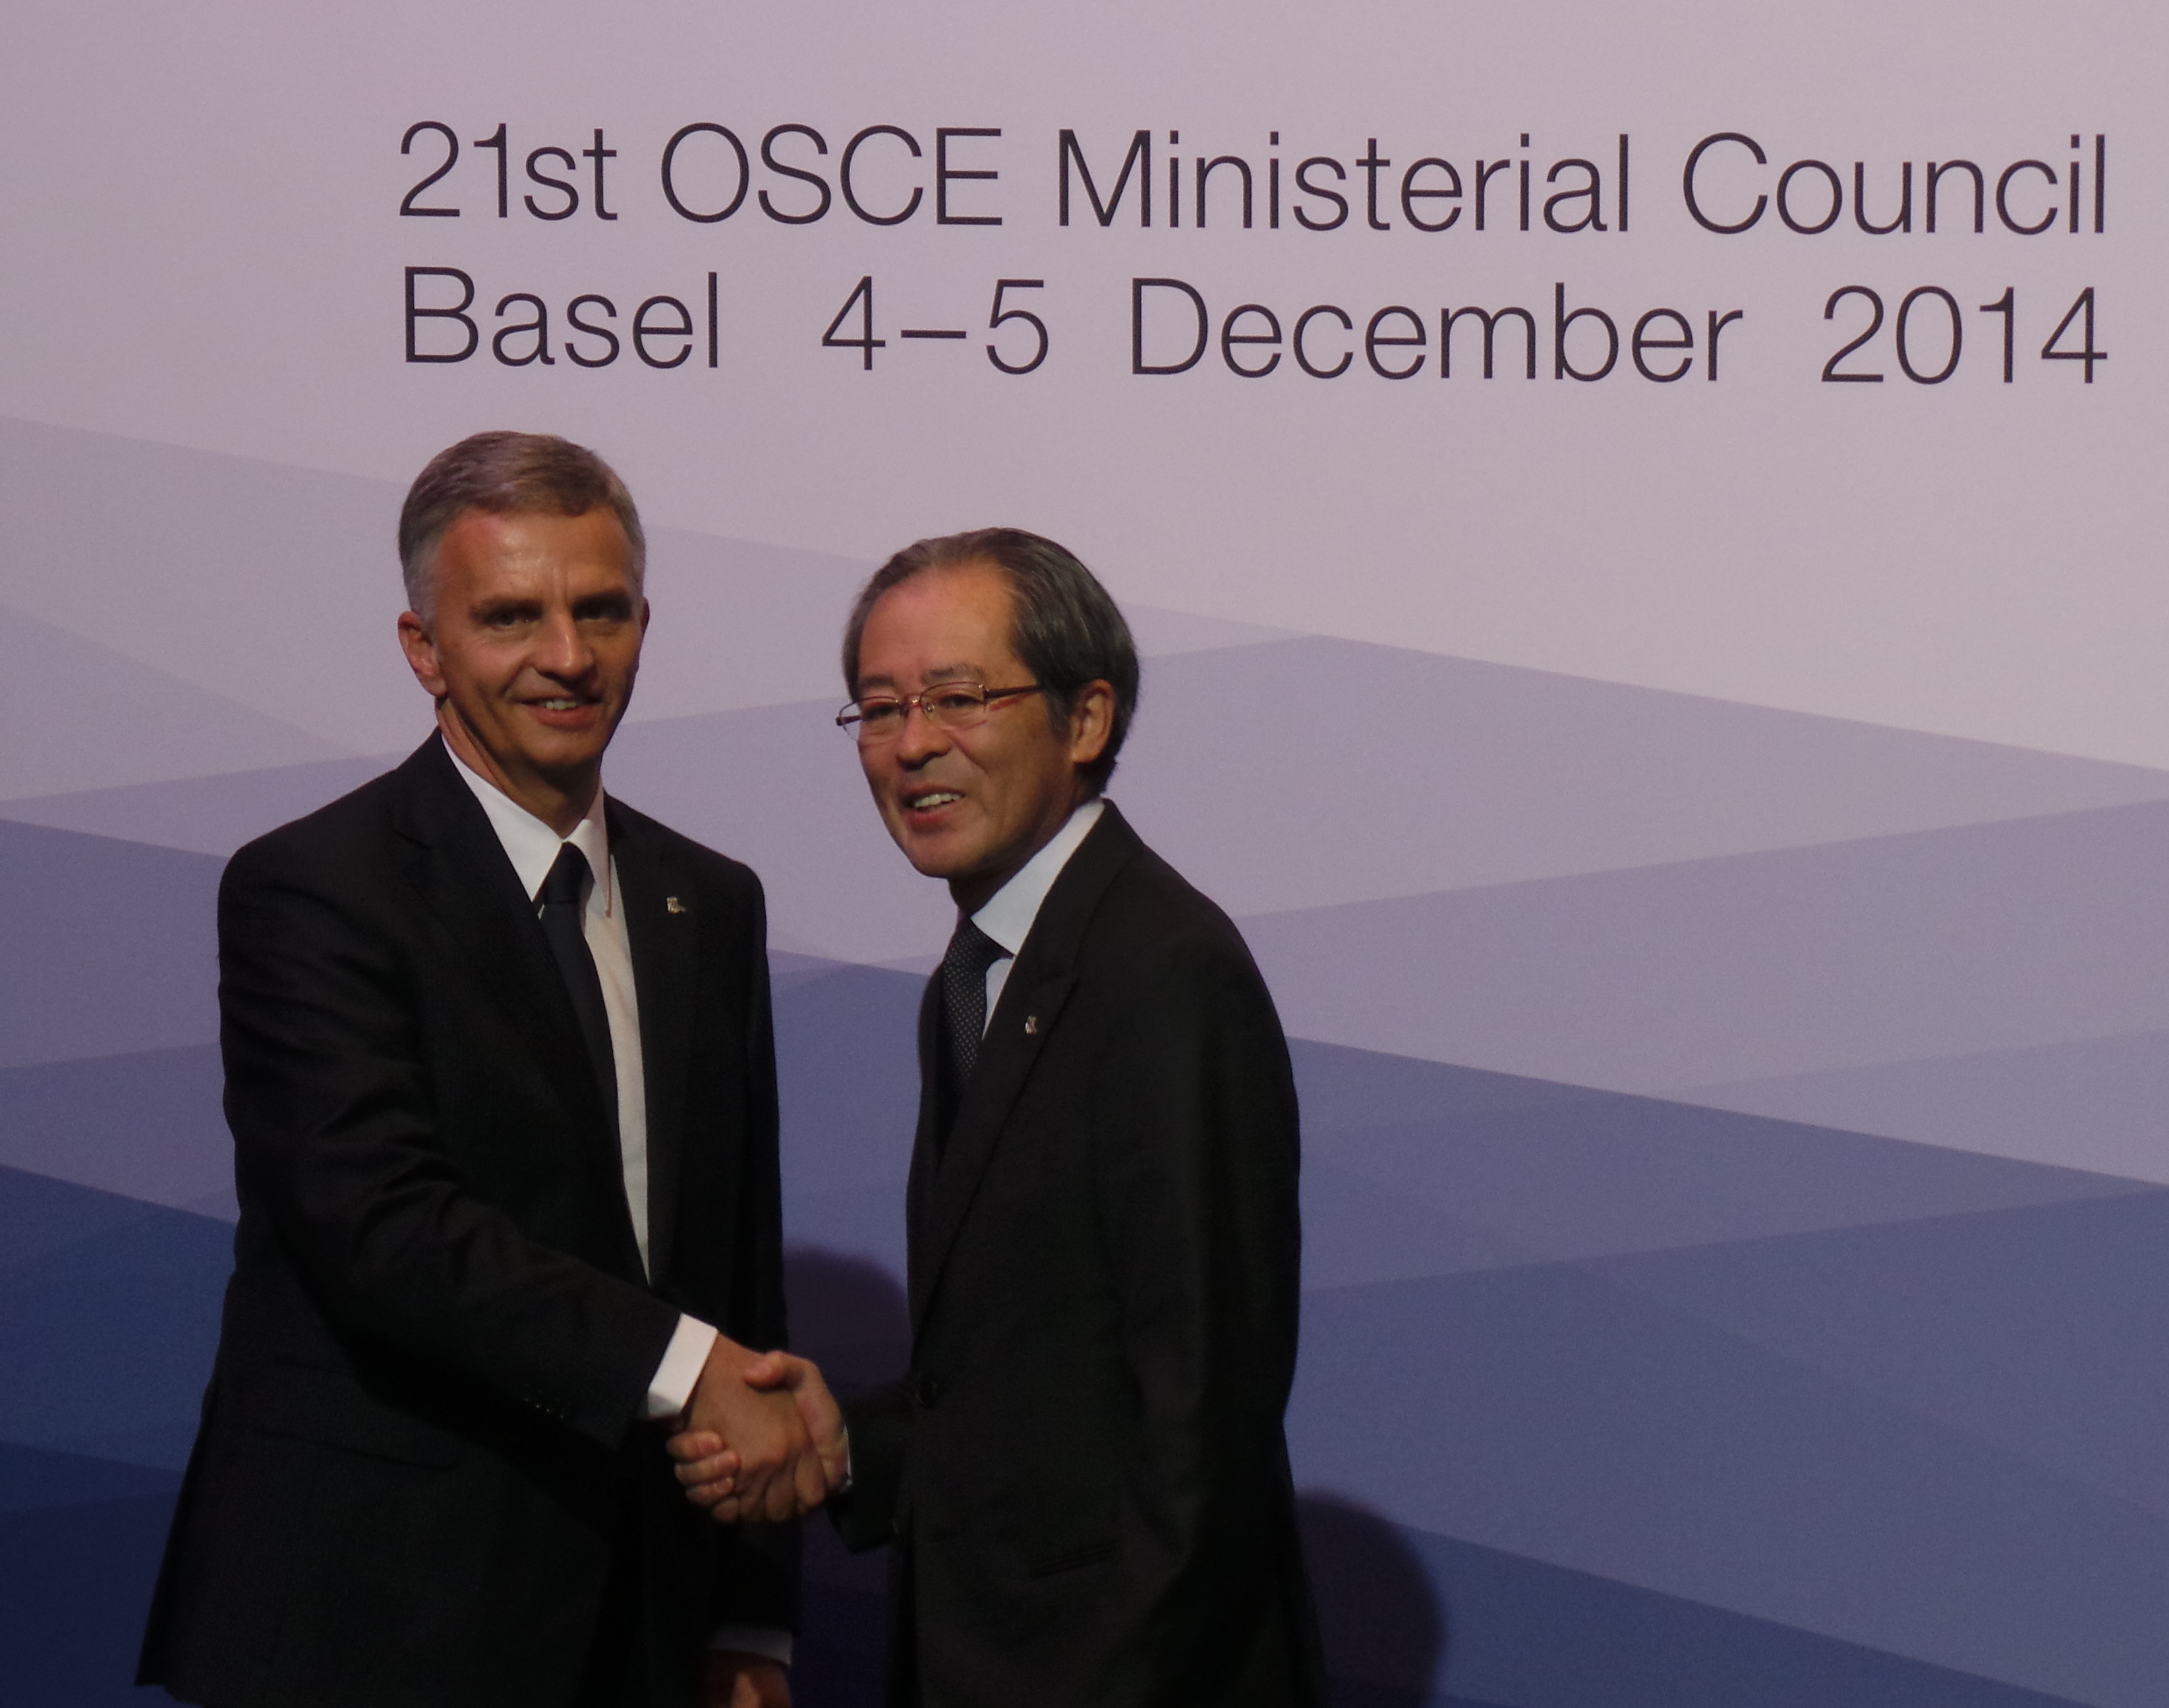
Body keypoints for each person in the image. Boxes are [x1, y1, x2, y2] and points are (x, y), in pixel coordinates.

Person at [138, 432, 826, 1708]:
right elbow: (385, 1231)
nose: (567, 655)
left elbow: (737, 1270)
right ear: (424, 649)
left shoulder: (709, 902)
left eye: (601, 611)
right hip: (378, 1622)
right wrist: (689, 1371)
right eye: (512, 615)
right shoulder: (314, 892)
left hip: (644, 1630)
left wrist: (751, 1616)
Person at [672, 529, 1325, 1707]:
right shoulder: (980, 980)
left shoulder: (1160, 968)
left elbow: (1200, 1420)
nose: (913, 743)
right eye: (878, 708)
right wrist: (844, 1450)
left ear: (1086, 720)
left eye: (959, 698)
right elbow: (1027, 1382)